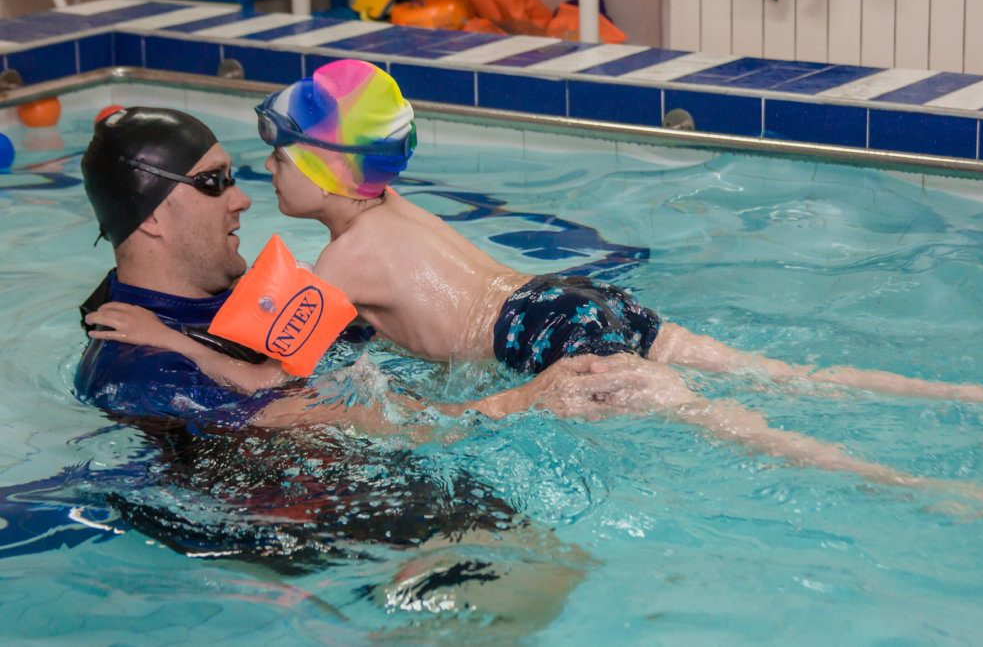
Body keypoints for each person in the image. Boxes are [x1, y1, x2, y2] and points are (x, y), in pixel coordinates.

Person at [85, 65, 983, 497]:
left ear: (322, 171)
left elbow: (265, 382)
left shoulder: (340, 266)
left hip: (542, 338)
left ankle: (894, 478)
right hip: (563, 299)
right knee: (768, 373)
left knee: (726, 423)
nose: (259, 182)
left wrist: (170, 342)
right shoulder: (397, 217)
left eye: (272, 159)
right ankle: (967, 394)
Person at [72, 105, 635, 634]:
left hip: (419, 502)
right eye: (214, 182)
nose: (241, 199)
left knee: (565, 573)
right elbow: (324, 413)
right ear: (152, 219)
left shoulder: (255, 303)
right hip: (350, 539)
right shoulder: (134, 365)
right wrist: (522, 401)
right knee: (535, 589)